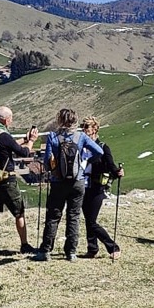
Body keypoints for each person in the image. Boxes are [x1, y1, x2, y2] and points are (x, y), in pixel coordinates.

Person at [31, 107, 104, 261]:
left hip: (58, 182)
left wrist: (54, 168)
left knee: (53, 216)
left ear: (59, 120)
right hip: (78, 181)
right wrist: (85, 163)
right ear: (75, 120)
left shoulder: (53, 136)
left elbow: (47, 161)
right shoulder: (81, 137)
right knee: (74, 216)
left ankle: (45, 251)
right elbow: (99, 151)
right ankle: (71, 252)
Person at [0, 106, 39, 259]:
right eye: (11, 118)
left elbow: (9, 145)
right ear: (6, 120)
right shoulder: (4, 135)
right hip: (7, 179)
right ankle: (24, 244)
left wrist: (25, 139)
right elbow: (24, 153)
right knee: (19, 212)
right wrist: (31, 141)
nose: (12, 120)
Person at [81, 116, 123, 259]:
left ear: (95, 129)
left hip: (97, 188)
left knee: (91, 221)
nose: (84, 130)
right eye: (83, 127)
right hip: (83, 186)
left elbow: (110, 166)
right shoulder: (82, 146)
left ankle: (112, 246)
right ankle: (92, 248)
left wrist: (117, 172)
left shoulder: (103, 147)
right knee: (88, 219)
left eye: (87, 127)